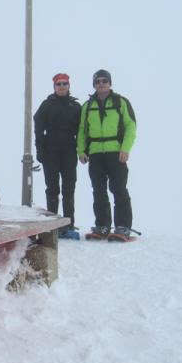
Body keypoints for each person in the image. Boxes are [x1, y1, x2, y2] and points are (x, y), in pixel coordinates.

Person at [77, 69, 136, 240]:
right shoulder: (88, 106)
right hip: (95, 154)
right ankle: (102, 226)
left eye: (104, 81)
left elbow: (131, 126)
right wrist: (81, 150)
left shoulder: (121, 102)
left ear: (110, 83)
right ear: (94, 84)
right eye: (98, 81)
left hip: (116, 152)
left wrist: (125, 149)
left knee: (119, 189)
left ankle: (123, 227)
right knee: (98, 190)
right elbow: (82, 130)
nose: (101, 84)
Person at [34, 73, 81, 235]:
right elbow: (38, 127)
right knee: (52, 188)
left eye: (64, 84)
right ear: (54, 87)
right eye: (58, 84)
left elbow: (82, 130)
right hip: (50, 150)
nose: (62, 87)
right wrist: (40, 149)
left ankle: (69, 224)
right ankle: (52, 225)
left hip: (69, 150)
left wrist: (83, 150)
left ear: (69, 86)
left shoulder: (76, 106)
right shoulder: (47, 105)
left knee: (69, 187)